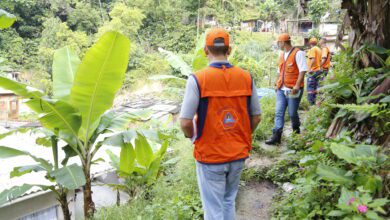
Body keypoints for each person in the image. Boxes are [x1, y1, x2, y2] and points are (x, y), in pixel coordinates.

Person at [179, 28, 262, 220]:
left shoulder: (198, 79)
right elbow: (256, 117)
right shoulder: (246, 77)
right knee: (228, 201)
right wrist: (242, 135)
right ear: (229, 49)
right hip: (238, 154)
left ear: (205, 51)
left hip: (210, 156)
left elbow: (184, 122)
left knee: (213, 210)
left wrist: (192, 136)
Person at [265, 33, 308, 145]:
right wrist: (276, 84)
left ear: (283, 42)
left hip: (292, 89)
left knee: (292, 113)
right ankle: (276, 136)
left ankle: (296, 133)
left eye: (278, 42)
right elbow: (280, 72)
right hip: (281, 89)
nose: (277, 44)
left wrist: (297, 85)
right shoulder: (282, 55)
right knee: (279, 112)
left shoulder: (298, 53)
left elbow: (303, 70)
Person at [306, 37, 323, 105]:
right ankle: (316, 102)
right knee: (316, 86)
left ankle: (311, 103)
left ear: (310, 43)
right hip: (318, 70)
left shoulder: (313, 49)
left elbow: (312, 59)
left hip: (312, 71)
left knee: (310, 87)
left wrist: (309, 69)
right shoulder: (319, 49)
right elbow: (320, 60)